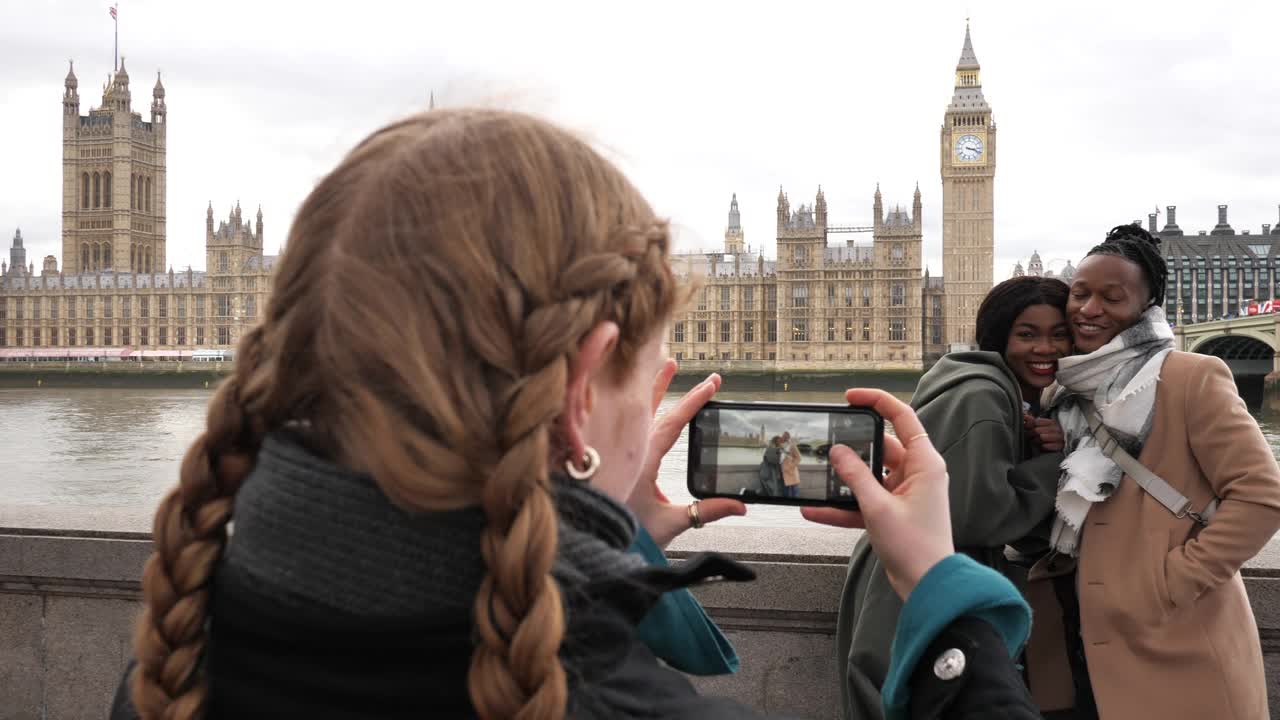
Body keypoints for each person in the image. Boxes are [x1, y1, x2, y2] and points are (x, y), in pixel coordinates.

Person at [109, 109, 1042, 720]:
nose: (667, 386)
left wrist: (602, 540)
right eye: (651, 365)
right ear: (582, 389)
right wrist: (945, 595)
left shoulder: (173, 660)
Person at [1031, 223, 1280, 719]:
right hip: (1075, 641)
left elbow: (1262, 497)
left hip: (1176, 640)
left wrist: (1172, 583)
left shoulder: (1190, 377)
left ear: (1146, 309)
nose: (1089, 309)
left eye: (1112, 297)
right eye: (1080, 293)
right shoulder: (1063, 394)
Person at [836, 276, 1073, 720]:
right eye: (1028, 334)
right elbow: (979, 514)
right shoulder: (981, 395)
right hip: (924, 574)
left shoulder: (982, 384)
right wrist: (1055, 461)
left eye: (1060, 334)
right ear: (999, 335)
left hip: (917, 565)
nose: (1046, 348)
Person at [782, 430, 802, 498]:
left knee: (795, 494)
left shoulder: (792, 446)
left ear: (788, 437)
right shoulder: (781, 447)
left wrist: (791, 466)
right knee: (785, 494)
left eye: (785, 436)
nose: (784, 437)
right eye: (783, 436)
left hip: (792, 472)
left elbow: (799, 458)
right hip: (784, 473)